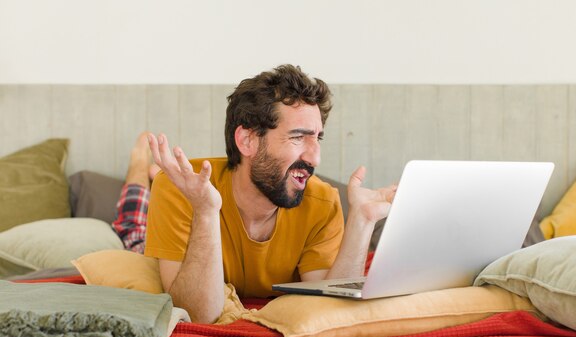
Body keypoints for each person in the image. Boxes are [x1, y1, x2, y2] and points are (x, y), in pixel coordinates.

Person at [144, 64, 397, 323]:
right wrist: (205, 211)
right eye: (298, 137)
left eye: (317, 139)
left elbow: (331, 308)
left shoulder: (323, 203)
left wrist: (362, 221)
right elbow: (197, 314)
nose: (315, 158)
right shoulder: (182, 189)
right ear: (247, 141)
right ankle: (138, 171)